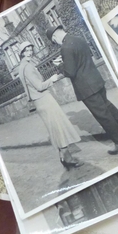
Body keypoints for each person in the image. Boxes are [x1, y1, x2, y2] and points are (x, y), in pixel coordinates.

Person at [46, 25, 118, 155]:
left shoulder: (65, 47)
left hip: (86, 88)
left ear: (55, 36)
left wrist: (60, 65)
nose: (55, 43)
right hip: (96, 80)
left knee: (103, 116)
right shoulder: (78, 38)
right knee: (106, 104)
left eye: (54, 41)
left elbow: (70, 71)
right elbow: (82, 59)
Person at [17, 41, 83, 170]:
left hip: (39, 101)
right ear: (22, 53)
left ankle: (64, 156)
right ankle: (67, 158)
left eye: (31, 50)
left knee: (55, 128)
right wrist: (52, 79)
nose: (30, 52)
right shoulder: (28, 67)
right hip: (44, 100)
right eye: (27, 51)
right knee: (59, 127)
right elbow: (39, 86)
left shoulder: (22, 67)